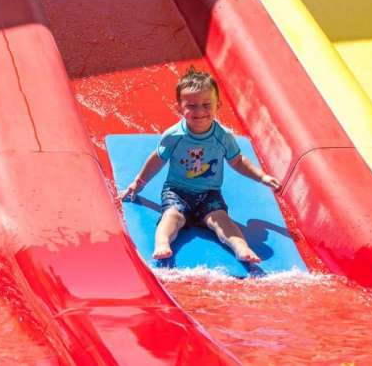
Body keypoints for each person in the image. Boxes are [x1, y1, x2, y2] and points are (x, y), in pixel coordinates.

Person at [118, 67, 280, 263]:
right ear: (179, 108)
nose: (200, 111)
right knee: (172, 216)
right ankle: (162, 243)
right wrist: (138, 183)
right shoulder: (175, 135)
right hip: (177, 191)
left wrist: (261, 176)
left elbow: (237, 161)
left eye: (206, 104)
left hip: (209, 193)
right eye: (191, 105)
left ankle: (241, 247)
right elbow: (158, 159)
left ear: (217, 105)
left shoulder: (222, 136)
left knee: (220, 219)